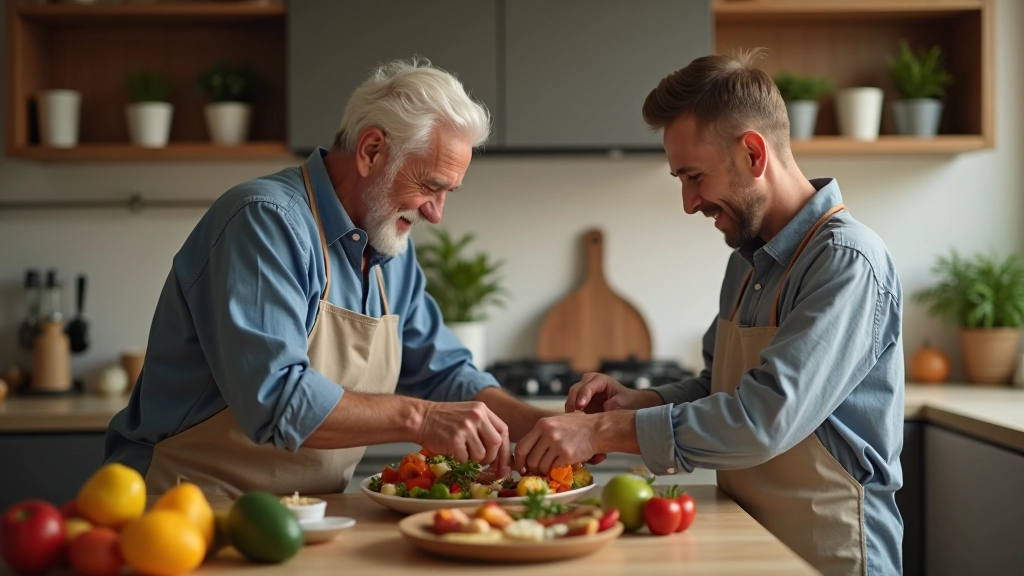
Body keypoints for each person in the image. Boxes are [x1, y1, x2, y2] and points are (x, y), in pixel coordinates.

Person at [513, 51, 904, 576]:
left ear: (753, 153)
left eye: (694, 176)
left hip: (830, 553)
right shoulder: (746, 261)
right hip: (754, 542)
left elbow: (763, 419)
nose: (688, 202)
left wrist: (603, 431)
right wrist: (640, 401)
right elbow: (720, 387)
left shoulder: (845, 261)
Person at [105, 58, 552, 496]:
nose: (435, 214)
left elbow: (445, 375)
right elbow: (276, 398)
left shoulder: (391, 245)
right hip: (187, 504)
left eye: (447, 192)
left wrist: (547, 429)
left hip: (306, 513)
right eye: (430, 186)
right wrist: (422, 419)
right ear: (371, 150)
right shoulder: (265, 221)